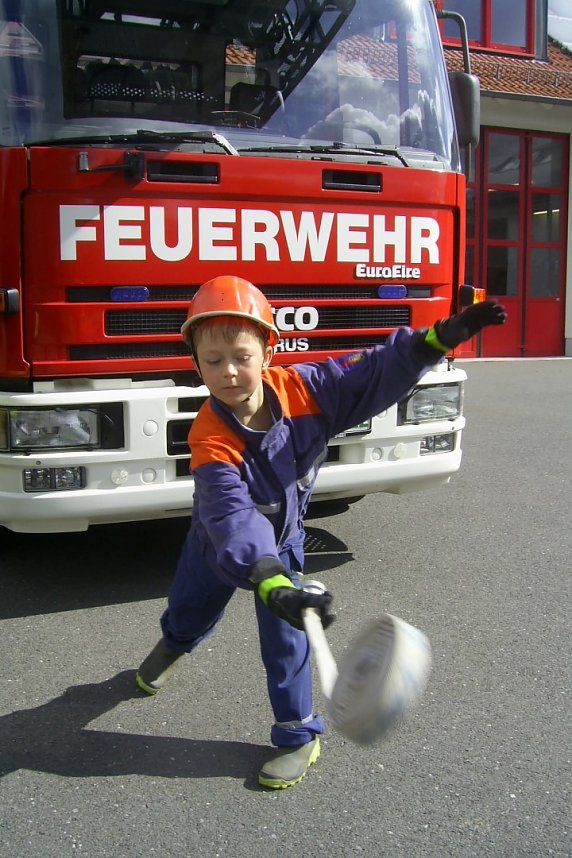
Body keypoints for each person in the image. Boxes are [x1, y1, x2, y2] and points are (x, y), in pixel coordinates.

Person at [136, 275, 506, 789]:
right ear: (195, 364)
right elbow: (228, 514)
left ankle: (298, 736)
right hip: (219, 544)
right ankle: (172, 647)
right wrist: (266, 576)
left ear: (268, 350)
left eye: (241, 356)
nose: (228, 372)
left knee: (288, 640)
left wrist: (440, 338)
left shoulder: (309, 389)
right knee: (188, 608)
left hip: (282, 543)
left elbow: (375, 371)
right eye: (212, 360)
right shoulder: (209, 437)